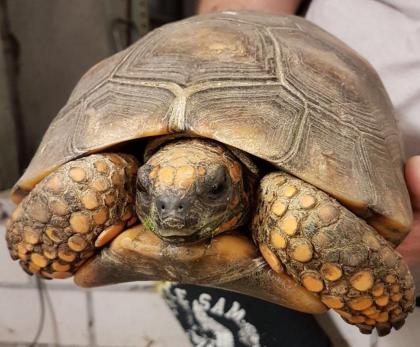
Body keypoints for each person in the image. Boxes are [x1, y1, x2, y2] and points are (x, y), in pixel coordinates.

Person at [161, 1, 420, 346]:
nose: (173, 209)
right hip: (268, 72)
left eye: (214, 189)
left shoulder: (285, 202)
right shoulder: (165, 194)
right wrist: (220, 35)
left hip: (358, 207)